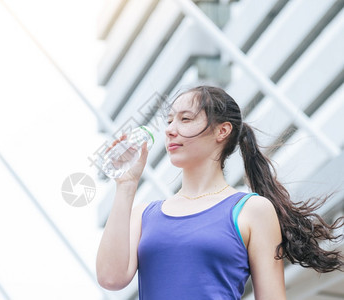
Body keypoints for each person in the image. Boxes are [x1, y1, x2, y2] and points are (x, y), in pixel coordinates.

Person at [96, 85, 343, 299]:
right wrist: (126, 185)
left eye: (185, 119)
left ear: (222, 131)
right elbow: (110, 279)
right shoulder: (144, 215)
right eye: (170, 120)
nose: (170, 129)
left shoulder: (252, 210)